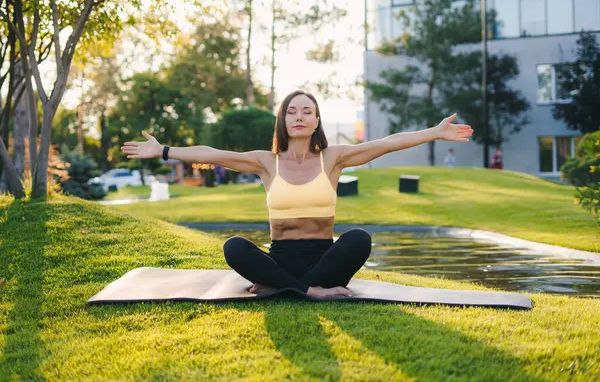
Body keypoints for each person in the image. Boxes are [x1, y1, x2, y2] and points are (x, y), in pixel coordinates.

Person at [121, 90, 474, 299]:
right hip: (279, 260)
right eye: (292, 111)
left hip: (326, 262)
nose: (299, 116)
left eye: (307, 111)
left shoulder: (333, 158)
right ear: (283, 121)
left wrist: (436, 132)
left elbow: (386, 144)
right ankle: (308, 291)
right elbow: (212, 154)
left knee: (359, 239)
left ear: (317, 120)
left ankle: (286, 289)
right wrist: (164, 150)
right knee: (233, 246)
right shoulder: (265, 162)